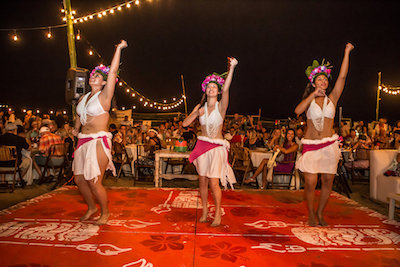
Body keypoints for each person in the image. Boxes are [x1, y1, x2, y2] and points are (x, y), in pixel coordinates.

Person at [294, 43, 354, 226]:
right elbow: (297, 110)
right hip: (312, 144)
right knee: (311, 182)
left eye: (325, 79)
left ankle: (320, 213)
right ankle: (311, 212)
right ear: (313, 83)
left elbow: (342, 77)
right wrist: (313, 95)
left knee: (328, 181)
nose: (323, 82)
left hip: (329, 145)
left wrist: (346, 52)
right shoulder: (309, 99)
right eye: (319, 79)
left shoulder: (333, 98)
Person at [72, 40, 127, 225]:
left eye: (97, 76)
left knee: (94, 180)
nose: (93, 77)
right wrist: (76, 128)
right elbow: (80, 114)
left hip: (98, 140)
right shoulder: (83, 97)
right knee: (79, 180)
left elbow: (112, 73)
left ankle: (105, 212)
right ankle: (92, 207)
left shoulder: (104, 97)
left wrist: (118, 49)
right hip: (82, 140)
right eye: (92, 75)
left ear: (103, 82)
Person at [183, 57, 238, 227]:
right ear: (205, 90)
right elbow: (185, 124)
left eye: (215, 87)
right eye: (209, 87)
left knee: (214, 182)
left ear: (218, 91)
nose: (212, 88)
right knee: (202, 181)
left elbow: (227, 88)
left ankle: (217, 213)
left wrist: (232, 68)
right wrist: (193, 113)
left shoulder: (221, 107)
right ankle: (205, 210)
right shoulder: (201, 109)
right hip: (202, 146)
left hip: (217, 148)